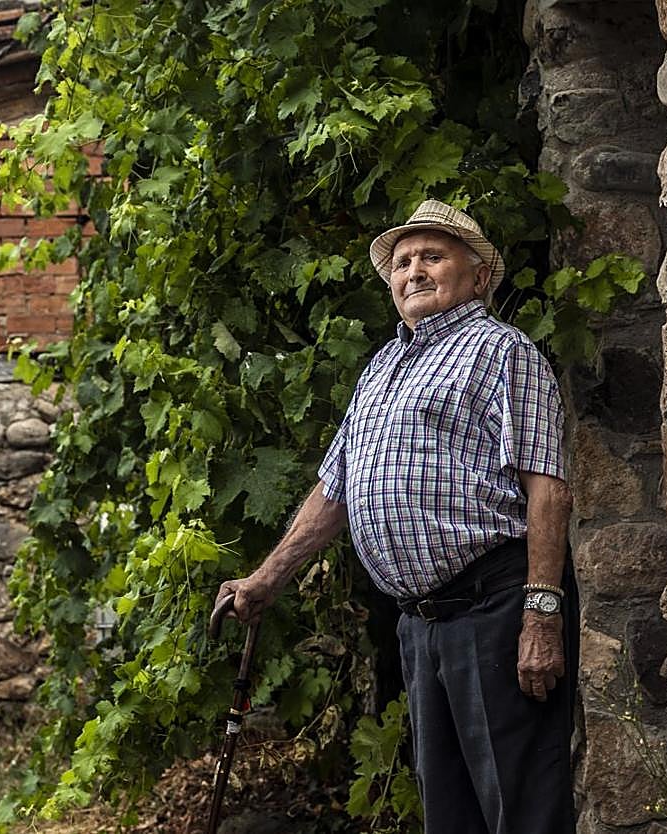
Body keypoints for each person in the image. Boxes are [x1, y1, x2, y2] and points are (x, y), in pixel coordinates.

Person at [215, 199, 576, 834]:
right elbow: (336, 489)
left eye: (433, 256)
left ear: (478, 276)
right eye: (403, 262)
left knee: (521, 813)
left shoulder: (502, 353)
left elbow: (547, 487)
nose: (414, 271)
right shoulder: (383, 366)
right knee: (450, 816)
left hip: (492, 612)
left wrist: (541, 615)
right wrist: (267, 578)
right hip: (420, 625)